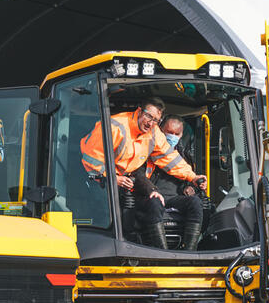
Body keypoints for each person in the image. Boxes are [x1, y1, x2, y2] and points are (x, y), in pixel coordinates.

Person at [80, 98, 207, 248]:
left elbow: (170, 158)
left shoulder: (153, 133)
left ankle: (185, 255)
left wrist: (192, 177)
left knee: (191, 203)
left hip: (126, 184)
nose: (150, 123)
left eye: (156, 120)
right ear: (139, 111)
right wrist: (113, 178)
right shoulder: (115, 126)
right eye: (148, 116)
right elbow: (91, 161)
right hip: (98, 185)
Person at [149, 115, 204, 250]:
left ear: (181, 135)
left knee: (196, 202)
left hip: (174, 198)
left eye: (176, 134)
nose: (172, 136)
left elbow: (189, 179)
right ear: (160, 130)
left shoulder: (185, 156)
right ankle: (163, 251)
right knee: (154, 203)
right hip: (152, 196)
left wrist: (192, 187)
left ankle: (189, 251)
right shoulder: (148, 148)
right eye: (169, 132)